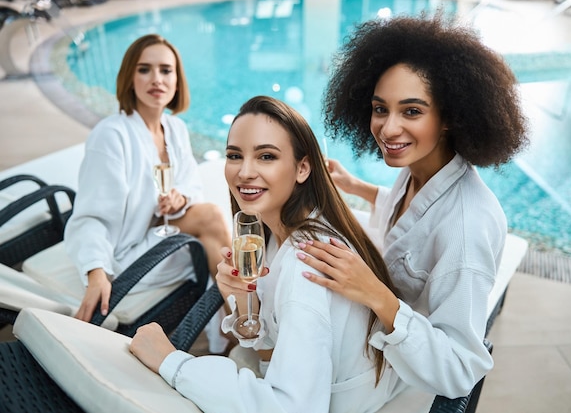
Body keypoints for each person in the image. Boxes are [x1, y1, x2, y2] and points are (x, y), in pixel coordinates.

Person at [295, 14, 529, 404]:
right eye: (380, 108)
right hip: (366, 343)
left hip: (395, 376)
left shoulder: (466, 229)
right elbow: (411, 216)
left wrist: (376, 294)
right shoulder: (418, 170)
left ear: (451, 118)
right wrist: (357, 187)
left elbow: (460, 372)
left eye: (412, 111)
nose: (387, 129)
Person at [130, 96, 407, 413]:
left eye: (266, 156)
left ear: (303, 168)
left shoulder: (306, 266)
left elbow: (293, 407)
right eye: (235, 155)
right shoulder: (277, 234)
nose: (244, 172)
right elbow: (272, 355)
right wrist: (249, 305)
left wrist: (172, 363)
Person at [64, 34, 231, 333]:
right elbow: (90, 216)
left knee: (214, 224)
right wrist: (95, 271)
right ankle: (243, 322)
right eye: (144, 69)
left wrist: (181, 199)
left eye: (166, 70)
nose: (157, 79)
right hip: (125, 254)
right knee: (215, 222)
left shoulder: (175, 128)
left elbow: (191, 186)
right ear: (129, 77)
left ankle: (236, 320)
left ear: (177, 80)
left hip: (163, 235)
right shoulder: (111, 135)